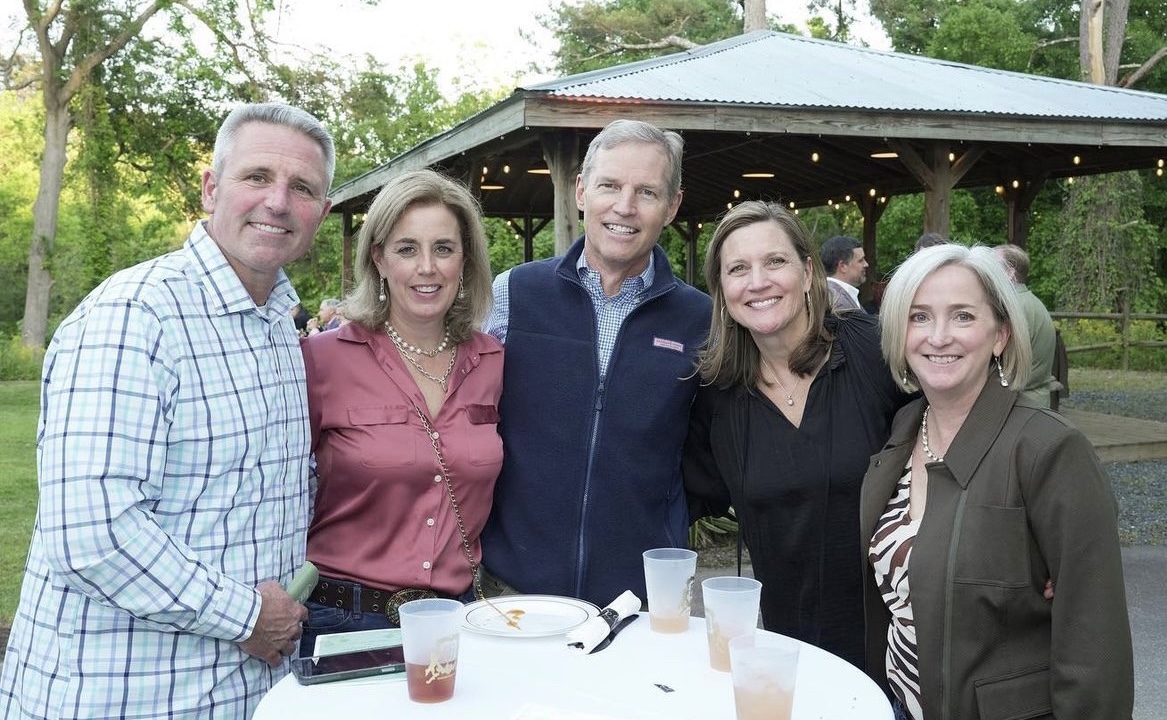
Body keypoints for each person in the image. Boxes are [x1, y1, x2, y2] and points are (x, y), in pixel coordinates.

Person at [0, 103, 335, 719]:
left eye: (303, 187)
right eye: (257, 177)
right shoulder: (134, 317)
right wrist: (247, 616)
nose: (278, 202)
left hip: (240, 694)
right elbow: (94, 535)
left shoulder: (279, 330)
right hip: (122, 697)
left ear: (322, 212)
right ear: (211, 189)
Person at [861, 243, 1133, 720]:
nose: (938, 336)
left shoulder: (1048, 448)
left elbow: (1096, 642)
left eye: (963, 316)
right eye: (919, 317)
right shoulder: (903, 431)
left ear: (1001, 334)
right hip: (900, 702)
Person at [481, 119, 712, 607]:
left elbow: (715, 448)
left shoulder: (702, 320)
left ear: (671, 207)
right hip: (514, 590)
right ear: (582, 191)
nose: (625, 207)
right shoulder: (513, 295)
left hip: (642, 600)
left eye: (647, 192)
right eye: (610, 186)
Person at [684, 202, 910, 668]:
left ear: (808, 273)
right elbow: (680, 493)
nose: (757, 281)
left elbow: (958, 436)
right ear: (722, 290)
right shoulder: (716, 392)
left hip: (902, 646)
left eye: (775, 262)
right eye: (738, 269)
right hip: (792, 651)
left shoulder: (873, 350)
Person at [299, 170, 502, 652]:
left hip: (456, 621)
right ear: (379, 258)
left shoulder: (493, 360)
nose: (426, 267)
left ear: (465, 259)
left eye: (444, 249)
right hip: (343, 620)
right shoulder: (322, 360)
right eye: (407, 249)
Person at [994, 243, 1059, 406]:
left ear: (1010, 272)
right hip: (1031, 400)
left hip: (1019, 405)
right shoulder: (1031, 302)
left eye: (992, 265)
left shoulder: (1013, 308)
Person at [820, 234, 867, 311]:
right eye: (860, 260)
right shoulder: (837, 303)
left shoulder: (824, 294)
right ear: (843, 266)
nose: (866, 264)